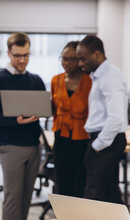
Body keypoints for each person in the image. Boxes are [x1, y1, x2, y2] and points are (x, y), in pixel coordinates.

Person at [0, 32, 46, 220]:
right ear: (9, 54)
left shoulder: (36, 80)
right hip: (10, 146)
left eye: (26, 55)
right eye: (17, 55)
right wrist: (15, 121)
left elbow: (43, 107)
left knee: (26, 198)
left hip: (34, 146)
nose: (22, 60)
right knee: (13, 198)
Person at [76, 35, 129, 204]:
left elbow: (116, 117)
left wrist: (98, 145)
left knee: (93, 195)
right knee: (110, 193)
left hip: (107, 141)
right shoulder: (100, 76)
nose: (80, 63)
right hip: (104, 140)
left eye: (83, 59)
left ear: (97, 55)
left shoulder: (110, 76)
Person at [51, 41, 92, 198]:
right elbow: (54, 109)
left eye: (71, 59)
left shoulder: (90, 81)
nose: (66, 63)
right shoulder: (56, 80)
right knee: (62, 181)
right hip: (61, 136)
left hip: (82, 137)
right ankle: (61, 219)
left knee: (79, 182)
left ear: (80, 61)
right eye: (63, 58)